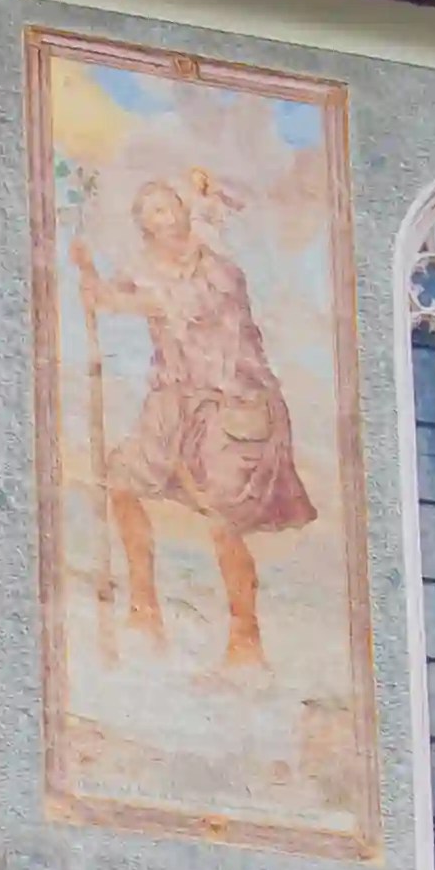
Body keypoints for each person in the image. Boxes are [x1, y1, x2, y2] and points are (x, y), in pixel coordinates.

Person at [71, 170, 315, 672]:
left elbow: (174, 305)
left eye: (168, 206)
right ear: (145, 226)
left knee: (224, 520)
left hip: (233, 403)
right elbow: (117, 292)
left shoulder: (219, 272)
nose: (164, 217)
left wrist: (107, 296)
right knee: (122, 481)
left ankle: (245, 639)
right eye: (152, 211)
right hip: (175, 401)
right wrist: (87, 278)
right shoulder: (144, 267)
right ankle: (144, 608)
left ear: (183, 213)